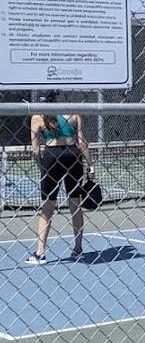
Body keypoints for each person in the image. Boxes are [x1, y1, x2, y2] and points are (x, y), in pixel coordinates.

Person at [27, 90, 94, 264]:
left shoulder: (37, 117)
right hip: (73, 157)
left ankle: (40, 253)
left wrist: (41, 166)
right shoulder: (73, 112)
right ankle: (78, 249)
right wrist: (91, 165)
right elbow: (82, 142)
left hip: (51, 157)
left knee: (47, 207)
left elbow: (35, 151)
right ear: (57, 97)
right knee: (75, 204)